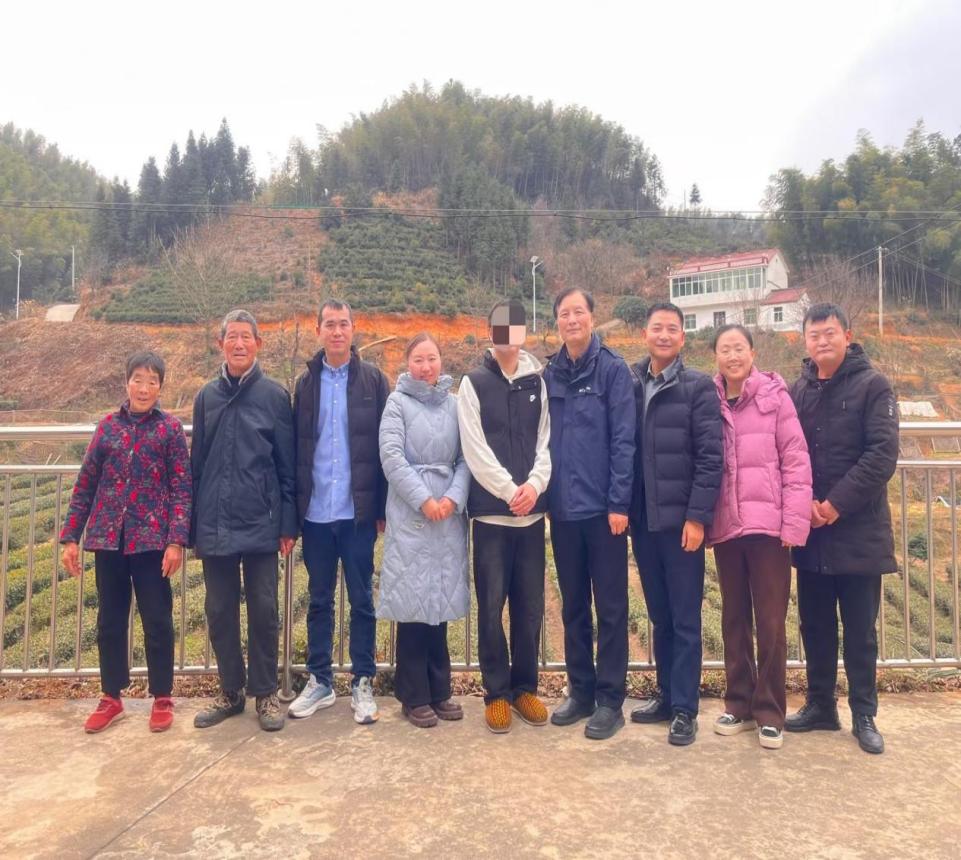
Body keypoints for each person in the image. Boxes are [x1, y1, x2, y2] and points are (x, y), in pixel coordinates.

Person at [786, 303, 898, 755]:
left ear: (847, 336)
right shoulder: (799, 390)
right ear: (805, 341)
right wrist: (804, 506)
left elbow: (881, 456)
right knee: (815, 625)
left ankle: (864, 714)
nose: (822, 341)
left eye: (830, 333)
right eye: (814, 335)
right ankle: (820, 705)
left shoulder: (874, 386)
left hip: (858, 531)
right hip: (812, 530)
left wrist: (834, 505)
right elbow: (787, 451)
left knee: (859, 632)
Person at [60, 351, 191, 733]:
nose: (144, 388)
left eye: (152, 381)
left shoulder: (169, 429)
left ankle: (162, 696)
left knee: (158, 620)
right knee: (110, 621)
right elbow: (86, 484)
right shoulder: (107, 427)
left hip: (153, 542)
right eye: (138, 379)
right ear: (126, 382)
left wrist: (176, 541)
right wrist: (70, 536)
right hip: (109, 538)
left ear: (160, 387)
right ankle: (111, 697)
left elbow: (182, 489)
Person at [190, 310, 297, 733]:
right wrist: (192, 525)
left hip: (260, 521)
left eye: (245, 337)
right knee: (219, 610)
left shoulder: (274, 395)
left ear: (258, 344)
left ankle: (265, 692)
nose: (238, 344)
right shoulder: (206, 397)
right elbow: (197, 465)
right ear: (221, 344)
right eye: (231, 337)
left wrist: (287, 523)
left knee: (264, 609)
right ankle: (230, 691)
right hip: (215, 521)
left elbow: (287, 466)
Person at [706, 324, 812, 750]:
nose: (732, 356)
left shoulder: (774, 397)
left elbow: (796, 460)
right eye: (724, 349)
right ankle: (738, 704)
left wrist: (793, 524)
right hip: (727, 526)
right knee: (733, 618)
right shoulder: (709, 400)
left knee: (770, 622)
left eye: (739, 348)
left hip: (769, 529)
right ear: (715, 357)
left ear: (752, 353)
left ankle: (770, 711)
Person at [288, 299, 389, 725]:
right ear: (318, 330)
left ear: (353, 329)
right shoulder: (305, 383)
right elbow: (297, 449)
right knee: (319, 599)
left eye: (343, 324)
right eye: (329, 324)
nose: (336, 331)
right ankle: (321, 681)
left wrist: (381, 507)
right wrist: (293, 513)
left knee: (362, 598)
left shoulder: (373, 380)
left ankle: (363, 681)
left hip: (357, 512)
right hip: (316, 513)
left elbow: (386, 446)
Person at [544, 287, 636, 740]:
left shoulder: (613, 370)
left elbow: (624, 440)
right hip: (564, 511)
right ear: (557, 322)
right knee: (574, 605)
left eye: (578, 312)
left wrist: (619, 503)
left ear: (592, 318)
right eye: (564, 314)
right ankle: (580, 691)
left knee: (612, 607)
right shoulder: (550, 374)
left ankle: (610, 700)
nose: (572, 320)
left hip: (603, 512)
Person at [629, 302, 723, 746]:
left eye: (672, 329)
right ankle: (666, 695)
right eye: (657, 328)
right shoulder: (633, 383)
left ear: (682, 338)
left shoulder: (698, 387)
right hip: (644, 521)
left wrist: (697, 517)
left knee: (685, 618)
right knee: (660, 615)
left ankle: (686, 708)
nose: (664, 335)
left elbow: (710, 457)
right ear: (645, 334)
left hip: (682, 524)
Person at [457, 299, 552, 733]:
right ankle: (496, 693)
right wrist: (511, 491)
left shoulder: (538, 382)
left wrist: (534, 486)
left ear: (523, 332)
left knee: (530, 609)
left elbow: (546, 441)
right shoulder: (473, 383)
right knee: (491, 608)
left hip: (531, 519)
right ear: (490, 331)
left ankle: (525, 688)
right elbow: (475, 450)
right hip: (493, 519)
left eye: (515, 326)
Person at [378, 333, 471, 728]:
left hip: (447, 516)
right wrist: (423, 499)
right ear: (407, 363)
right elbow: (391, 457)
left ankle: (439, 690)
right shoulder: (396, 403)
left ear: (441, 361)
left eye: (432, 358)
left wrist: (453, 498)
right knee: (413, 605)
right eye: (418, 359)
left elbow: (466, 458)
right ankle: (413, 695)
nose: (426, 366)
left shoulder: (455, 404)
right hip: (411, 516)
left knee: (439, 604)